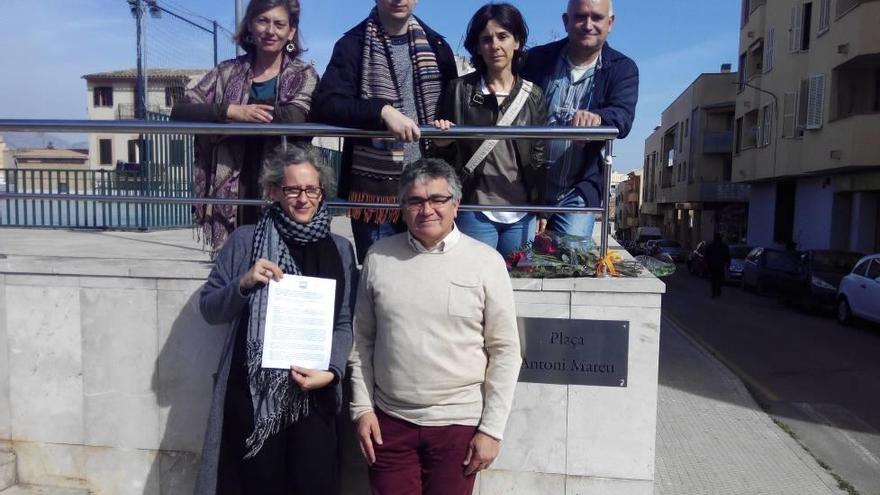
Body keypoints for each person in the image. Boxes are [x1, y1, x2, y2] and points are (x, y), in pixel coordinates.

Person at [348, 158, 522, 495]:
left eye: (438, 199)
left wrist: (492, 430)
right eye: (415, 201)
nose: (427, 209)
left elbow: (505, 351)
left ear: (456, 205)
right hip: (389, 423)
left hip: (458, 426)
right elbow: (361, 340)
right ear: (402, 207)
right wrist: (362, 409)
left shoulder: (486, 262)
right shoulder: (379, 258)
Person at [196, 145, 357, 495]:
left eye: (311, 189)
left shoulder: (340, 249)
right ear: (273, 191)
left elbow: (344, 322)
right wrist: (243, 282)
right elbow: (209, 309)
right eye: (292, 190)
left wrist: (331, 370)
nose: (303, 199)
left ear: (322, 192)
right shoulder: (244, 241)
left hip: (313, 395)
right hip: (252, 397)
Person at [311, 0, 458, 263]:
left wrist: (445, 136)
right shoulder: (352, 45)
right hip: (377, 192)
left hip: (429, 187)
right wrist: (381, 112)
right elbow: (327, 104)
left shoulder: (438, 47)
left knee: (430, 275)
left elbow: (451, 111)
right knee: (379, 279)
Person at [171, 0, 319, 251]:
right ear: (250, 25)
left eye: (279, 23)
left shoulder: (303, 74)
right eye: (262, 21)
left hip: (282, 187)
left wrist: (226, 128)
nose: (270, 30)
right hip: (232, 190)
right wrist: (231, 110)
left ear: (291, 31)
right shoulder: (227, 72)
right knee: (237, 266)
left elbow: (295, 117)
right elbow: (180, 111)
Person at [431, 3, 547, 259]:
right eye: (486, 39)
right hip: (474, 208)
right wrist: (441, 143)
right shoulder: (459, 90)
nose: (495, 45)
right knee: (474, 286)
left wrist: (542, 208)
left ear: (517, 42)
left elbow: (538, 156)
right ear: (477, 47)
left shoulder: (533, 95)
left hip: (522, 213)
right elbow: (438, 159)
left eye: (503, 36)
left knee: (517, 287)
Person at [521, 0, 638, 240]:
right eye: (580, 17)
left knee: (570, 258)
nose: (588, 24)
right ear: (566, 21)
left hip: (580, 189)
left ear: (610, 23)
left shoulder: (623, 68)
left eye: (596, 17)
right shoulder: (536, 60)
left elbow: (623, 118)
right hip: (529, 184)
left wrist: (598, 118)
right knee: (517, 258)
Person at [705, 233, 731, 299]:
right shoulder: (724, 246)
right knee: (719, 278)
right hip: (720, 265)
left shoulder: (710, 246)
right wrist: (727, 264)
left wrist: (707, 264)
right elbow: (727, 256)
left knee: (713, 279)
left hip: (712, 265)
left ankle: (714, 292)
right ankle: (718, 291)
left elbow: (706, 256)